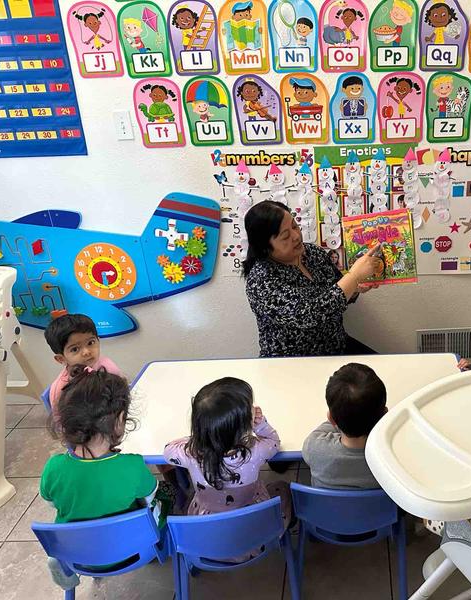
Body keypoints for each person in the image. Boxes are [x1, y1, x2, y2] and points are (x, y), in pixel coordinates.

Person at [40, 366, 168, 588]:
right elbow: (151, 494)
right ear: (120, 420)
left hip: (78, 555)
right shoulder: (133, 465)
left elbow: (51, 502)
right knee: (166, 497)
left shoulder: (53, 467)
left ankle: (60, 562)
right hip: (133, 550)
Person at [163, 377, 292, 557]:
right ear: (243, 427)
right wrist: (261, 425)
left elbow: (168, 451)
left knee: (196, 496)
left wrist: (200, 438)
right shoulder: (255, 451)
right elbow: (274, 442)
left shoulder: (190, 453)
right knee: (283, 488)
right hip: (256, 537)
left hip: (207, 538)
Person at [243, 201, 382, 357]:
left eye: (295, 226)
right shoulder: (261, 280)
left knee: (386, 367)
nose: (296, 236)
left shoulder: (312, 253)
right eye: (285, 236)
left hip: (336, 345)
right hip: (292, 360)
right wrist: (353, 277)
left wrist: (355, 287)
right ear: (265, 247)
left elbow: (337, 289)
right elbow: (309, 314)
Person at [302, 363, 387, 489]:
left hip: (327, 503)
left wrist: (339, 416)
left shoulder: (314, 448)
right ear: (384, 414)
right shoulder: (392, 456)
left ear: (331, 418)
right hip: (380, 502)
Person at [44, 313, 122, 415]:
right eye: (75, 349)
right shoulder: (62, 388)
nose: (86, 352)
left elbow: (121, 388)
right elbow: (61, 420)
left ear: (98, 341)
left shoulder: (106, 364)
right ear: (61, 359)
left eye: (90, 343)